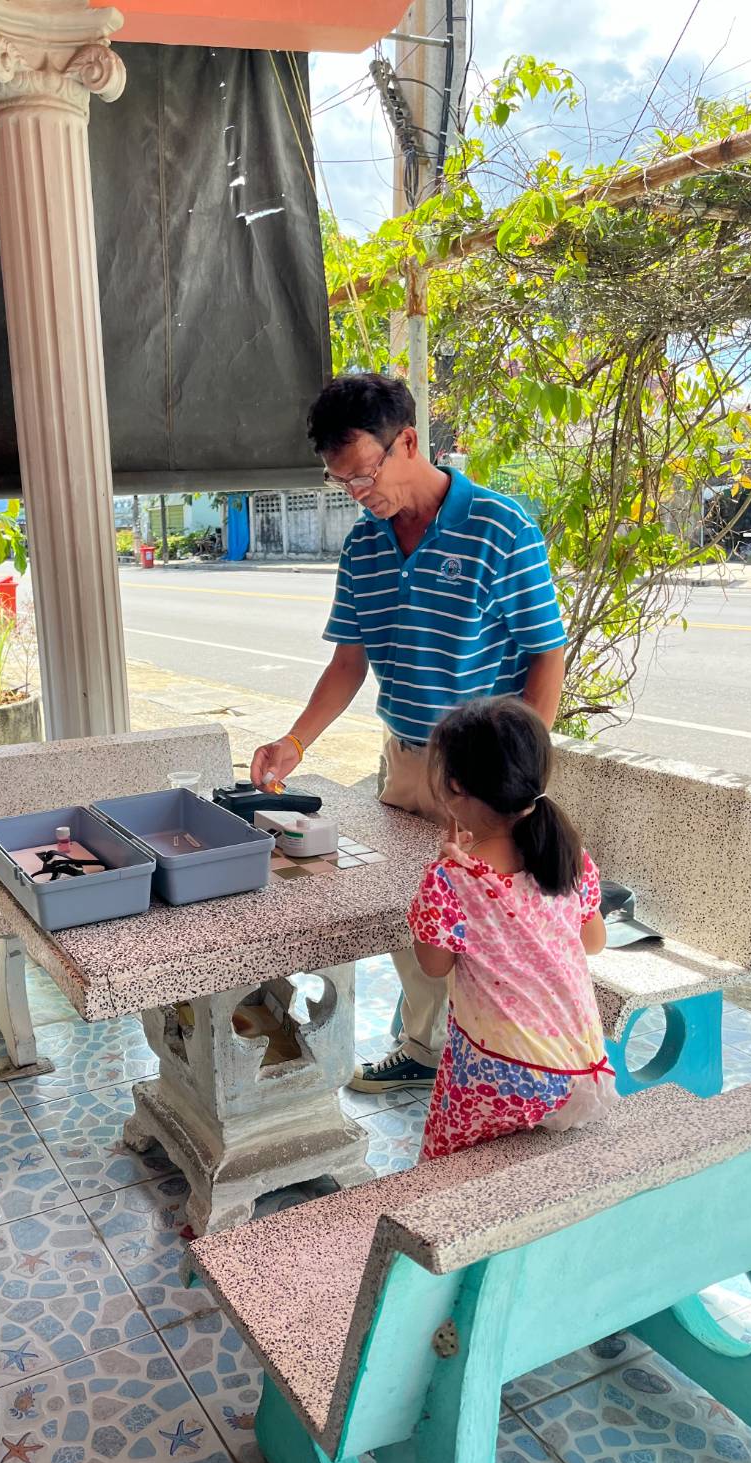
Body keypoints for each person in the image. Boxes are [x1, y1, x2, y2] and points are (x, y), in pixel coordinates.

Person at [251, 373, 567, 1092]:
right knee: (418, 912)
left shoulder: (500, 526)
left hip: (490, 775)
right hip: (408, 762)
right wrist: (294, 741)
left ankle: (500, 1062)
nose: (360, 494)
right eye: (344, 484)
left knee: (491, 924)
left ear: (410, 442)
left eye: (365, 475)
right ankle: (429, 1048)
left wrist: (525, 770)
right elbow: (349, 661)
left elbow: (547, 651)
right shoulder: (363, 550)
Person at [406, 696, 614, 1158]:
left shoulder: (452, 879)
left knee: (441, 1175)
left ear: (454, 785)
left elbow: (433, 966)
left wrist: (438, 878)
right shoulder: (568, 857)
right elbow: (594, 942)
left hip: (498, 1074)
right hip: (580, 1071)